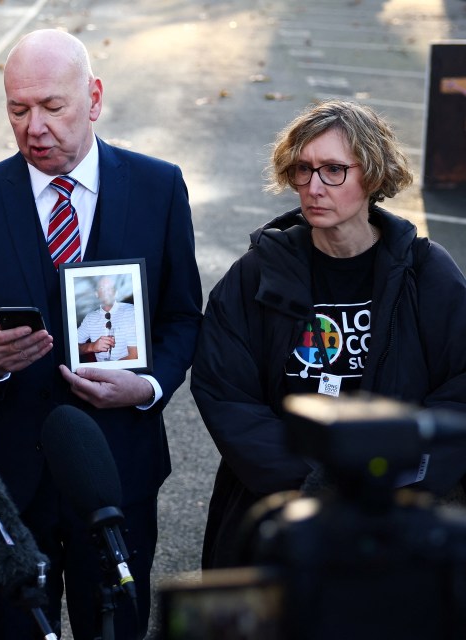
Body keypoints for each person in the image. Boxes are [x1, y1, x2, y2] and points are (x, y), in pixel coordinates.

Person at [0, 28, 202, 639]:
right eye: (18, 109)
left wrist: (149, 387)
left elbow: (184, 317)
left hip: (117, 471)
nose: (34, 126)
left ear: (94, 98)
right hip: (9, 483)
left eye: (52, 106)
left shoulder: (159, 189)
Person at [191, 99, 466, 570]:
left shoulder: (426, 272)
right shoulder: (255, 275)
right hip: (280, 511)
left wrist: (400, 473)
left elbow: (461, 386)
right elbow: (225, 392)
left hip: (399, 516)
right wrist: (315, 479)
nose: (314, 186)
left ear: (373, 175)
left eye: (334, 170)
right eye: (303, 169)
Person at [76, 275, 138, 362]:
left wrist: (107, 370)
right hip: (97, 373)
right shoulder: (90, 318)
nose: (106, 292)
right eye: (102, 288)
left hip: (128, 373)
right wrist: (91, 347)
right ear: (96, 294)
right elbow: (72, 348)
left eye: (110, 288)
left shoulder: (131, 311)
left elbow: (134, 356)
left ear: (116, 293)